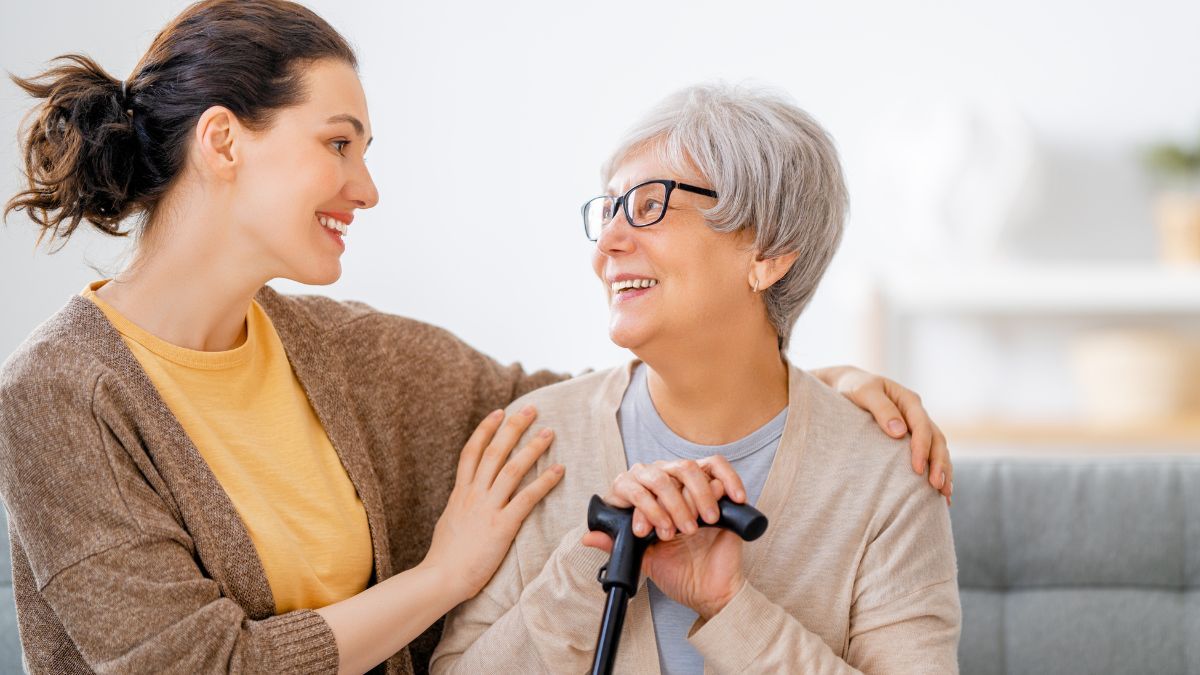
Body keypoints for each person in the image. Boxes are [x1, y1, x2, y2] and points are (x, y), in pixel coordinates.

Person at [0, 2, 951, 673]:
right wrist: (445, 575)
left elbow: (588, 401)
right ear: (223, 142)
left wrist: (810, 381)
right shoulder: (57, 396)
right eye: (340, 144)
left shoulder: (344, 353)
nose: (366, 187)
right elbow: (196, 668)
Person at [432, 84, 960, 674]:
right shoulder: (536, 441)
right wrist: (588, 567)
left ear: (768, 251)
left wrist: (730, 607)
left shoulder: (887, 473)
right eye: (609, 210)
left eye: (648, 205)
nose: (608, 242)